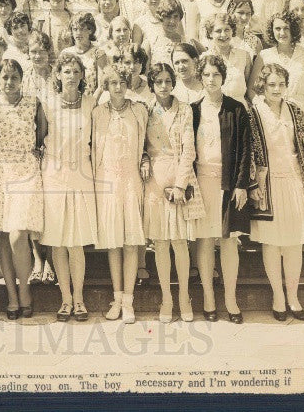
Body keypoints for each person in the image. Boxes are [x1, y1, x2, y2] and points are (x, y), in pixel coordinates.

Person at [248, 63, 304, 321]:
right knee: (272, 243)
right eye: (271, 85)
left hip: (294, 182)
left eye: (281, 84)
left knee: (293, 243)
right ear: (262, 87)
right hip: (269, 186)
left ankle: (293, 296)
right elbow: (251, 154)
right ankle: (278, 296)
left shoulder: (296, 111)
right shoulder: (254, 114)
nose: (277, 89)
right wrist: (254, 185)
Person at [190, 55, 253, 324]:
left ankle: (231, 298)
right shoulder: (192, 110)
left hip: (227, 185)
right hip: (201, 182)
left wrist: (241, 185)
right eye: (207, 75)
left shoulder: (236, 109)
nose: (211, 79)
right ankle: (208, 297)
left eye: (216, 74)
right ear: (200, 78)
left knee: (228, 242)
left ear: (223, 78)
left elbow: (244, 150)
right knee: (205, 241)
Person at [0, 59, 47, 319]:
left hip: (26, 170)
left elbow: (42, 135)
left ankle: (25, 291)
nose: (9, 82)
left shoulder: (34, 103)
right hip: (0, 171)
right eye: (5, 78)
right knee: (3, 238)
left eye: (14, 77)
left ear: (22, 79)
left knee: (18, 234)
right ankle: (12, 296)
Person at [42, 54, 98, 322]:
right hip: (54, 175)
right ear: (58, 75)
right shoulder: (48, 104)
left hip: (81, 175)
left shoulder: (90, 103)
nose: (72, 76)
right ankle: (64, 298)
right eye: (66, 71)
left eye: (76, 71)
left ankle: (79, 299)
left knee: (75, 242)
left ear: (82, 76)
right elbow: (37, 137)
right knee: (58, 241)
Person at [92, 65, 149, 323]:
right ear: (106, 86)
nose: (118, 87)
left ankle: (129, 300)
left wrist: (145, 159)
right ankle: (116, 297)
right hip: (107, 181)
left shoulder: (138, 110)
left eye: (122, 82)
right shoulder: (98, 113)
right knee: (114, 243)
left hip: (131, 181)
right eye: (112, 82)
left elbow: (147, 144)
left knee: (130, 243)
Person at [142, 62, 198, 323]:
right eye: (158, 81)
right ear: (152, 85)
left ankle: (184, 297)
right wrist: (143, 160)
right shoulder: (145, 111)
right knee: (161, 243)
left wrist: (180, 184)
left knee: (179, 243)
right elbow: (140, 145)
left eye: (167, 81)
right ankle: (166, 299)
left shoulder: (184, 109)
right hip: (154, 181)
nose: (163, 86)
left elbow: (189, 150)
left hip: (178, 178)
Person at [249, 11, 304, 131]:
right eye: (277, 28)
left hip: (300, 114)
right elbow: (252, 88)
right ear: (272, 30)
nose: (282, 33)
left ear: (293, 29)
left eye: (286, 28)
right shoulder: (264, 56)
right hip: (271, 116)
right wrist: (262, 107)